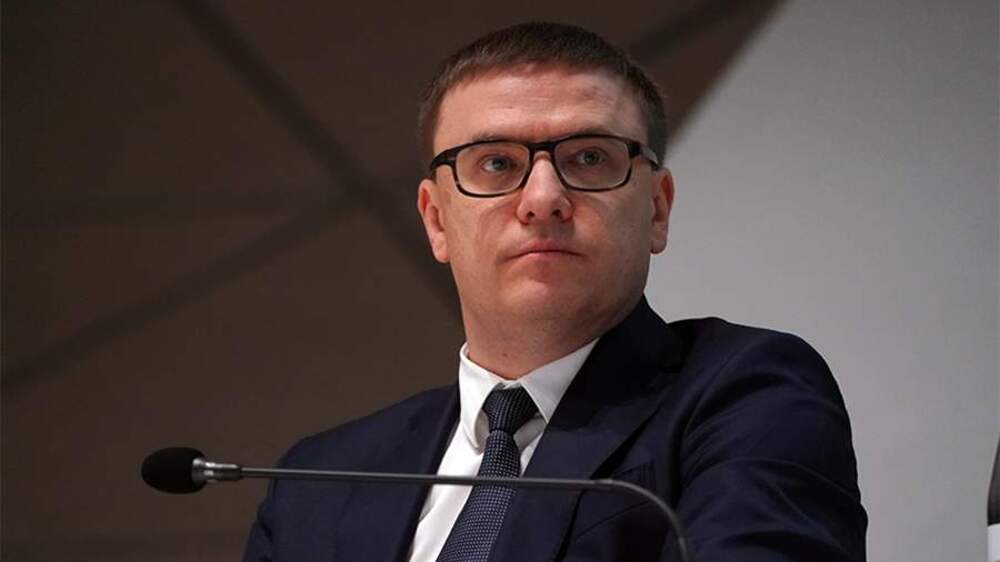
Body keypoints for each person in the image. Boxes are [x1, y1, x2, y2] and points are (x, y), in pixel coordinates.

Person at [242, 22, 867, 562]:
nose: (543, 199)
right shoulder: (316, 482)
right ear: (436, 221)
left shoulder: (745, 397)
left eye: (589, 158)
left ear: (657, 209)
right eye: (496, 163)